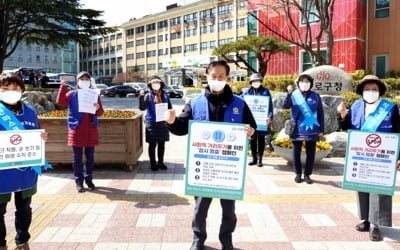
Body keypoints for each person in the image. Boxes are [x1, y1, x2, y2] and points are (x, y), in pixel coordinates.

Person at [165, 60, 256, 250]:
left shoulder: (239, 103)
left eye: (221, 76)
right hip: (204, 168)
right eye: (213, 76)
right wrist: (172, 122)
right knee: (200, 209)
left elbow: (252, 126)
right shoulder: (195, 103)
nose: (217, 79)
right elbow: (182, 127)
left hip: (227, 168)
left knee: (229, 210)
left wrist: (251, 131)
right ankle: (198, 239)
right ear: (206, 77)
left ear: (227, 78)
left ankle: (226, 240)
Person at [337, 74, 400, 241]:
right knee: (361, 187)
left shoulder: (391, 108)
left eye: (374, 89)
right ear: (361, 91)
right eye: (367, 89)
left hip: (382, 157)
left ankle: (375, 224)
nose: (370, 92)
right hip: (361, 155)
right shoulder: (356, 106)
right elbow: (346, 128)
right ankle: (365, 219)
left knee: (378, 190)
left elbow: (398, 132)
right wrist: (342, 115)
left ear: (380, 91)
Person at [0, 72, 48, 250]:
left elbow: (37, 133)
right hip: (1, 172)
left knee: (24, 208)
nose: (10, 92)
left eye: (15, 88)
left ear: (21, 90)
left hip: (24, 170)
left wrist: (43, 137)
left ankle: (22, 241)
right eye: (5, 88)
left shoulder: (30, 112)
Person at [56, 71, 104, 193]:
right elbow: (60, 102)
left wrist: (98, 108)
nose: (84, 81)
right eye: (82, 79)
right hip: (76, 129)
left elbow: (100, 113)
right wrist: (63, 86)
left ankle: (89, 179)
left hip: (91, 130)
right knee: (77, 158)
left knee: (90, 158)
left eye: (87, 79)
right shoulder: (72, 94)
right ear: (77, 82)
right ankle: (79, 182)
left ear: (90, 81)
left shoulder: (94, 94)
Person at [282, 74, 324, 184]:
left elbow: (320, 113)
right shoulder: (294, 95)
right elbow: (285, 106)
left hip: (312, 128)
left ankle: (307, 174)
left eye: (307, 81)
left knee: (311, 153)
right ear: (298, 83)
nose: (304, 84)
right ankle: (298, 173)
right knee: (296, 152)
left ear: (311, 83)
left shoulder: (316, 96)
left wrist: (321, 129)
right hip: (297, 128)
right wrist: (289, 93)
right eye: (302, 81)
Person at [139, 75, 172, 171]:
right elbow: (142, 108)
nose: (156, 84)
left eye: (157, 82)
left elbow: (169, 107)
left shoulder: (165, 95)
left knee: (162, 144)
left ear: (161, 84)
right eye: (154, 83)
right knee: (152, 144)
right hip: (151, 123)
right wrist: (141, 97)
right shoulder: (148, 95)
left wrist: (170, 117)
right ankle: (153, 164)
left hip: (163, 122)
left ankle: (160, 162)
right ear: (150, 85)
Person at [243, 73, 273, 167]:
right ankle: (254, 159)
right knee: (252, 139)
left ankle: (260, 159)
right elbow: (242, 103)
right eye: (254, 81)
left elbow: (270, 106)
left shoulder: (265, 91)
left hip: (262, 120)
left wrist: (270, 116)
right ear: (251, 82)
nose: (256, 82)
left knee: (261, 140)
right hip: (251, 120)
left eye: (258, 81)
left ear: (260, 81)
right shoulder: (247, 92)